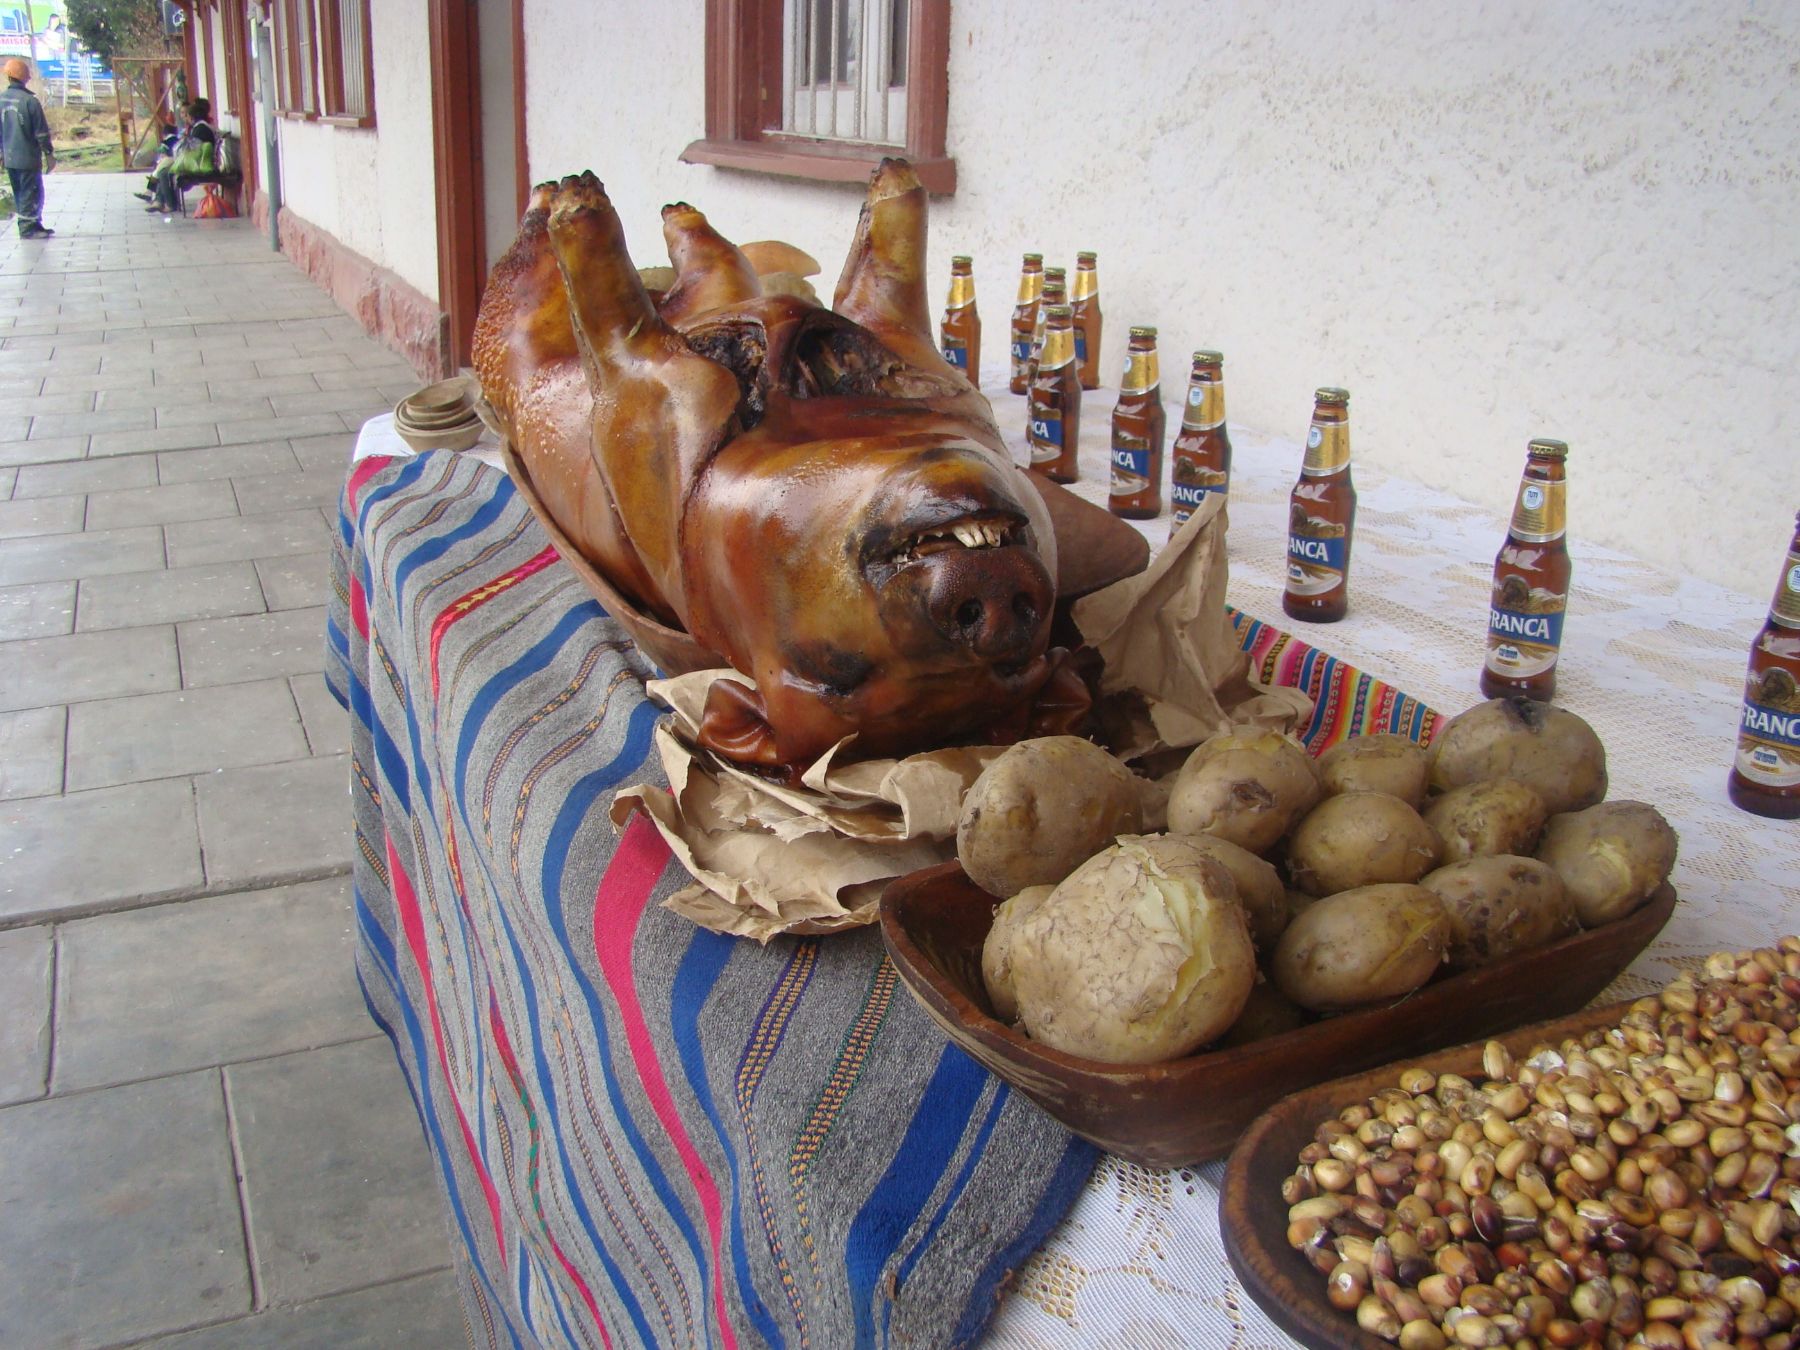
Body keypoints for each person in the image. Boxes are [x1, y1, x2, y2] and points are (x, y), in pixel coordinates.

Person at [0, 57, 55, 240]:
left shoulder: (1, 101)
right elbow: (41, 132)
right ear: (25, 78)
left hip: (9, 158)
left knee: (19, 192)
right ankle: (28, 228)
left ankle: (31, 224)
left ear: (8, 76)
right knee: (32, 191)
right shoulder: (29, 101)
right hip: (28, 157)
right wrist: (49, 154)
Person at [147, 97, 215, 214]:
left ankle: (169, 204)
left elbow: (193, 149)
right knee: (164, 168)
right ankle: (161, 201)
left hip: (197, 162)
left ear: (192, 117)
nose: (186, 118)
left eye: (187, 116)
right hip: (195, 159)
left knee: (164, 172)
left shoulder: (200, 129)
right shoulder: (199, 127)